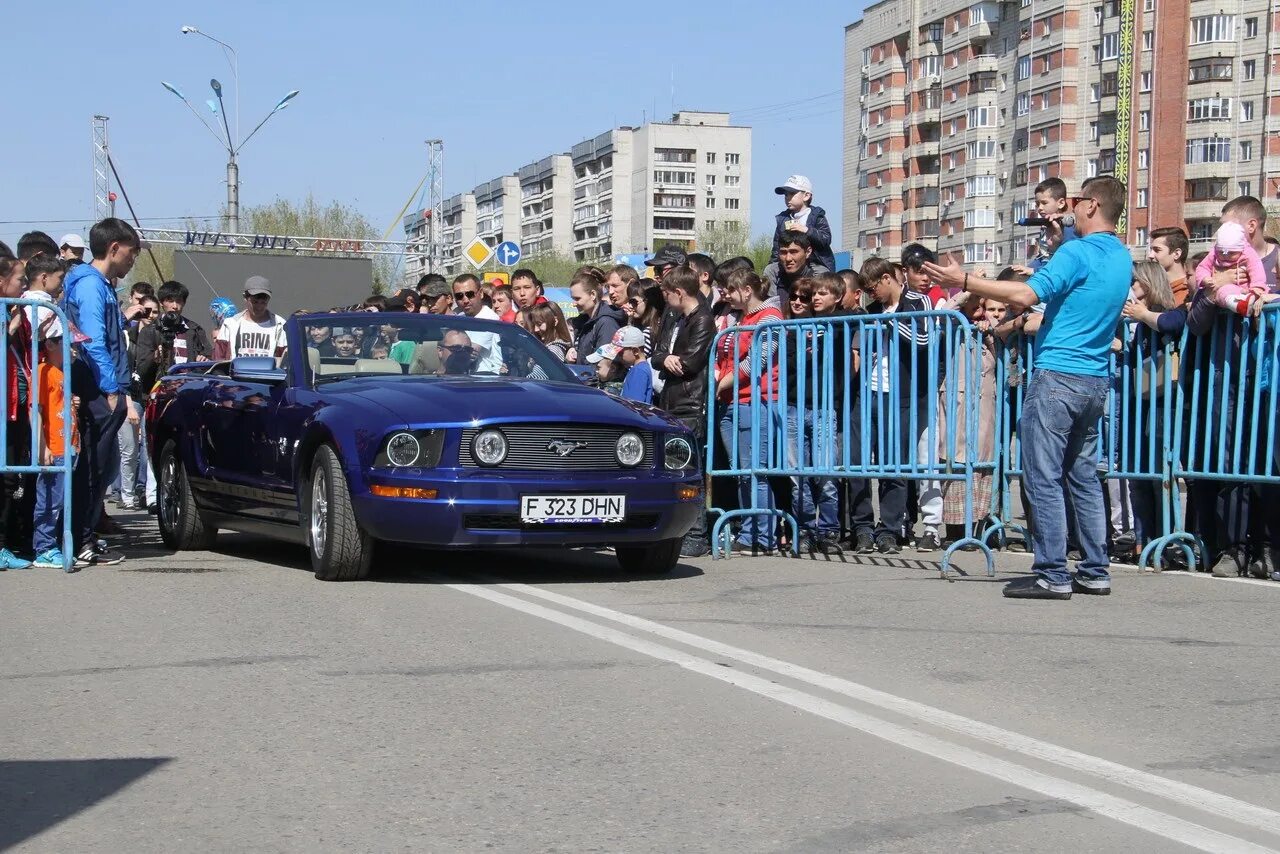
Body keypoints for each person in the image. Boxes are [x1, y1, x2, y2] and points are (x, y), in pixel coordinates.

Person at [923, 175, 1132, 600]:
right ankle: (1094, 569)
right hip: (1094, 379)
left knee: (1043, 477)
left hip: (1058, 376)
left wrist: (964, 281)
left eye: (1073, 202)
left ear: (1091, 205)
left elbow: (1023, 293)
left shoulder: (1078, 252)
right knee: (1083, 477)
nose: (1066, 210)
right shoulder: (1122, 256)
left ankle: (1052, 573)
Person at [62, 217, 140, 567]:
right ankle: (81, 539)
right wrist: (110, 388)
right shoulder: (91, 286)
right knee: (92, 466)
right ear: (113, 248)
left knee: (101, 465)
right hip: (96, 388)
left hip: (106, 385)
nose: (132, 260)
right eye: (131, 253)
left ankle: (88, 533)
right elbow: (94, 343)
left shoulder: (101, 286)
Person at [846, 257, 932, 554]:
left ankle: (890, 530)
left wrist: (891, 325)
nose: (871, 295)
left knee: (894, 464)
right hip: (866, 394)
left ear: (886, 279)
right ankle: (863, 528)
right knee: (857, 463)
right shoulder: (870, 311)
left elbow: (923, 338)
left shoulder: (918, 301)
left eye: (872, 289)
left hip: (902, 396)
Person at [715, 268, 785, 554]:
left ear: (746, 289)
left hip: (756, 401)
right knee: (742, 472)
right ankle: (749, 532)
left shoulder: (770, 317)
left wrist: (724, 382)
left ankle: (762, 536)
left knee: (755, 471)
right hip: (732, 401)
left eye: (731, 290)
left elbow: (759, 359)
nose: (727, 295)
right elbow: (722, 354)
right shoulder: (738, 318)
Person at [32, 317, 82, 570]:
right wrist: (42, 447)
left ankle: (53, 545)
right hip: (55, 447)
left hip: (69, 446)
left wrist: (72, 403)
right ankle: (43, 548)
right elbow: (36, 410)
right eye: (66, 343)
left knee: (61, 500)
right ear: (50, 344)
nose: (72, 349)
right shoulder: (43, 372)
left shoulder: (62, 373)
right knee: (49, 500)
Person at [1194, 222, 1275, 315]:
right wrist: (1204, 279)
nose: (1226, 256)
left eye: (1232, 253)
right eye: (1221, 252)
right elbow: (1202, 267)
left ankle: (1250, 301)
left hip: (1248, 290)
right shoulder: (1213, 253)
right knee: (1222, 292)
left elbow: (1257, 270)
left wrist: (1257, 287)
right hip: (1227, 290)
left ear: (1241, 249)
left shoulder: (1248, 253)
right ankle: (1240, 305)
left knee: (1263, 295)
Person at [770, 175, 836, 273]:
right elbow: (777, 248)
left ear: (806, 196)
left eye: (792, 194)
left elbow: (825, 239)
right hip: (789, 265)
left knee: (822, 279)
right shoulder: (783, 219)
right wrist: (772, 265)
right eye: (786, 195)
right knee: (770, 270)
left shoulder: (816, 215)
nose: (788, 198)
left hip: (814, 264)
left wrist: (806, 230)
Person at [216, 277, 286, 360]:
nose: (259, 307)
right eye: (255, 302)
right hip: (237, 372)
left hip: (269, 373)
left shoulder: (280, 325)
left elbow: (287, 360)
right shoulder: (230, 324)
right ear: (245, 298)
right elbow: (219, 360)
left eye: (263, 303)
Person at [586, 326, 658, 403]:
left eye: (620, 352)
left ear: (635, 351)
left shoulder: (639, 371)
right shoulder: (638, 369)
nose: (617, 355)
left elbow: (634, 404)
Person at [1219, 195, 1280, 285]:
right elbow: (1197, 298)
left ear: (1251, 226)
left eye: (1228, 225)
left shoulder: (1277, 259)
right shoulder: (1219, 258)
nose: (1222, 231)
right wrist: (1216, 283)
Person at [451, 274, 504, 374]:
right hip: (463, 377)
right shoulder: (459, 318)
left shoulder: (489, 318)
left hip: (487, 379)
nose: (465, 300)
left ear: (481, 293)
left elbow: (468, 355)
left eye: (470, 294)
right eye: (459, 296)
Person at [568, 272, 624, 365]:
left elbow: (605, 363)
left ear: (593, 295)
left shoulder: (606, 323)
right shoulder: (584, 322)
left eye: (577, 298)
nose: (574, 303)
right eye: (573, 299)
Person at [763, 232, 830, 305]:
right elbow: (771, 306)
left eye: (793, 252)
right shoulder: (773, 271)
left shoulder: (820, 274)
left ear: (808, 252)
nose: (788, 258)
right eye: (783, 252)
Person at [1027, 177, 1078, 271]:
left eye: (1044, 203)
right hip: (1043, 268)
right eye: (1037, 204)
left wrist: (1034, 271)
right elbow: (1042, 256)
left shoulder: (1067, 227)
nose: (1040, 208)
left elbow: (1066, 261)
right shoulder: (1045, 225)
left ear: (1061, 203)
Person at [1147, 227, 1191, 307]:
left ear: (1177, 254)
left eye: (1157, 250)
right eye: (1151, 250)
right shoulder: (1150, 289)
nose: (1150, 255)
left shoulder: (1189, 292)